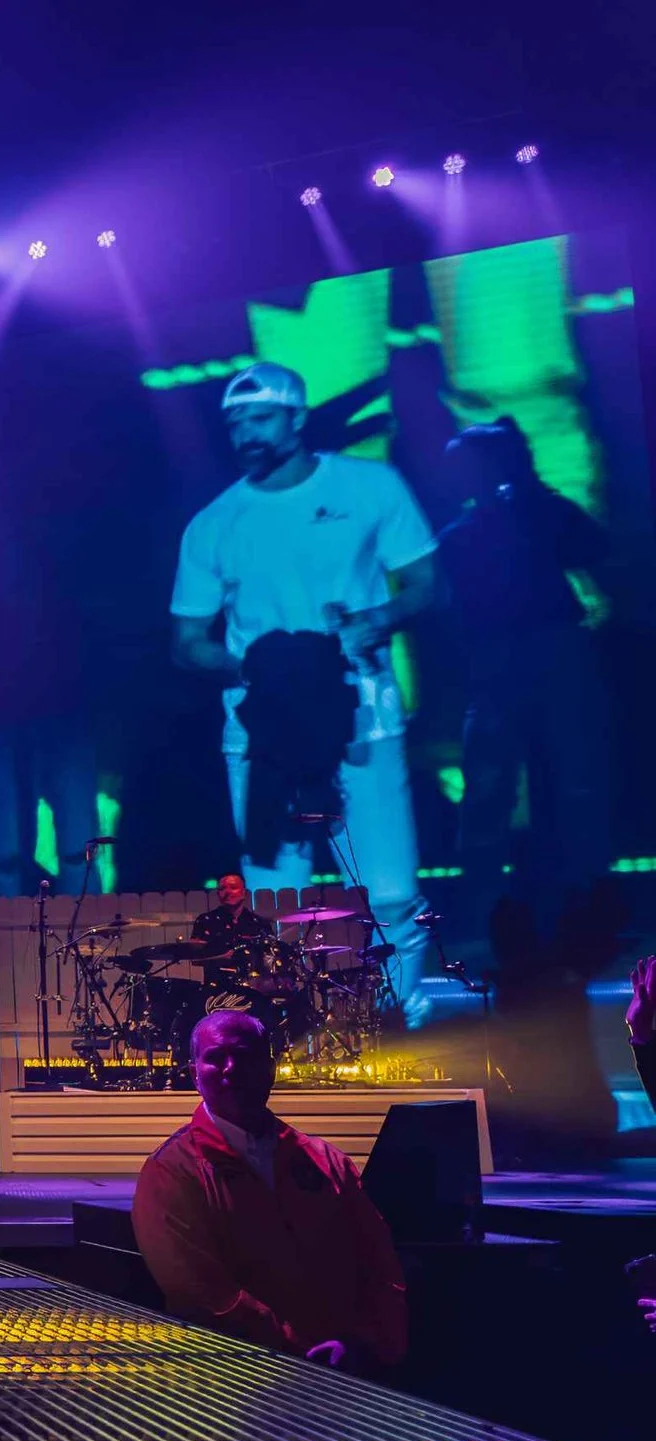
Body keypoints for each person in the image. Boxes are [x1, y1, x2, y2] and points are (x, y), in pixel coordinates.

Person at [171, 363, 436, 1024]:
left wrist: (378, 619)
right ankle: (291, 1024)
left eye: (260, 418)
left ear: (297, 417)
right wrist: (254, 668)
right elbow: (188, 639)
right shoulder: (214, 522)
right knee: (273, 897)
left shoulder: (369, 486)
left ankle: (397, 1013)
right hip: (263, 735)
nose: (247, 434)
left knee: (389, 889)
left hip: (362, 717)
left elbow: (426, 582)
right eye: (235, 424)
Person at [132, 1011, 407, 1370]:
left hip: (348, 1369)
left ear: (270, 1070)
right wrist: (300, 1350)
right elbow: (201, 1293)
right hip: (237, 1377)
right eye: (215, 1057)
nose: (231, 1068)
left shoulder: (326, 1161)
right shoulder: (171, 1171)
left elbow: (379, 1262)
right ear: (194, 1074)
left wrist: (364, 1343)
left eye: (244, 1055)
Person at [435, 416, 613, 910]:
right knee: (491, 780)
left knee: (572, 772)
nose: (451, 475)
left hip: (554, 651)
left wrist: (535, 501)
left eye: (461, 465)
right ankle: (485, 895)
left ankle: (588, 888)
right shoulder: (456, 536)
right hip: (496, 660)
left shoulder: (543, 513)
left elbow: (597, 548)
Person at [190, 873, 273, 958]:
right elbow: (195, 957)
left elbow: (270, 956)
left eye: (233, 887)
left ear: (244, 892)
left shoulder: (260, 924)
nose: (227, 892)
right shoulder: (205, 921)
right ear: (218, 894)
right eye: (222, 889)